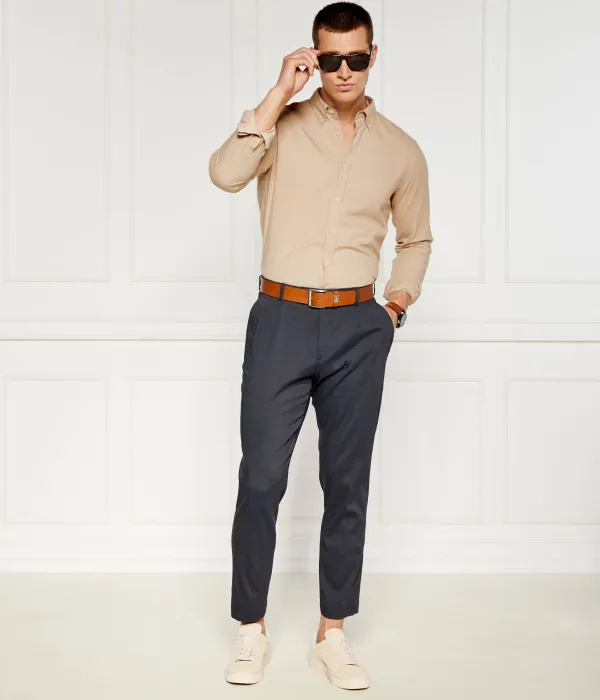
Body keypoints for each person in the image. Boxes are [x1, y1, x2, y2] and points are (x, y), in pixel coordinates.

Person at [208, 1, 433, 690]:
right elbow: (225, 173)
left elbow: (416, 238)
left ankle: (333, 633)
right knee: (261, 478)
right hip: (280, 317)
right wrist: (279, 91)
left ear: (373, 56)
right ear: (313, 57)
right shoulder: (279, 126)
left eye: (355, 58)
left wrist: (394, 307)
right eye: (329, 58)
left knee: (347, 483)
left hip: (356, 327)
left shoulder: (400, 149)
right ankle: (251, 628)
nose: (342, 71)